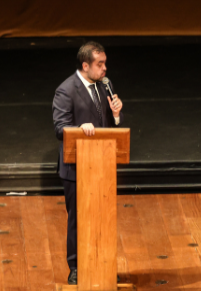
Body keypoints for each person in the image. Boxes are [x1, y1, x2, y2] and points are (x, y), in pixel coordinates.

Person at [52, 41, 124, 284]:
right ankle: (75, 266)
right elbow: (60, 128)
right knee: (77, 218)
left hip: (102, 164)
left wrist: (116, 114)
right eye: (99, 64)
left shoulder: (105, 85)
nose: (104, 69)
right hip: (76, 168)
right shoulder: (66, 90)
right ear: (85, 65)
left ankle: (103, 262)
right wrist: (78, 128)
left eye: (105, 63)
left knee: (104, 216)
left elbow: (111, 125)